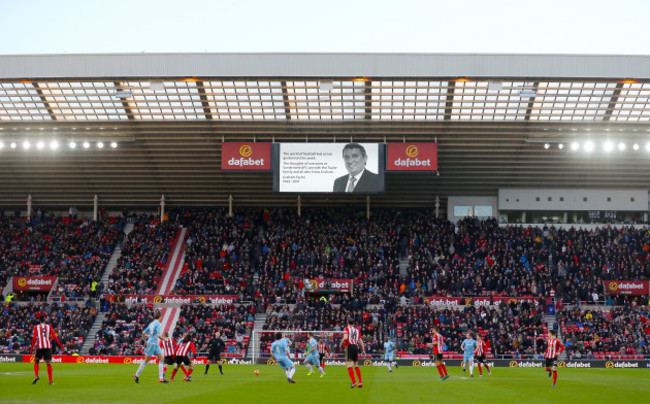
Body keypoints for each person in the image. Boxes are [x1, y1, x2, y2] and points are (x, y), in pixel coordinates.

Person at [133, 309, 169, 384]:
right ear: (160, 316)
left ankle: (161, 378)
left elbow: (143, 332)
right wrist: (165, 339)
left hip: (154, 343)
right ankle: (136, 375)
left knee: (162, 358)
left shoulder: (151, 324)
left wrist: (145, 341)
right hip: (152, 344)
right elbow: (159, 335)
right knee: (146, 360)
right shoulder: (158, 324)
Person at [30, 314, 66, 385]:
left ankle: (36, 375)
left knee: (36, 361)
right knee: (48, 363)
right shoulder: (49, 327)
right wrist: (61, 346)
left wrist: (32, 348)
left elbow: (34, 338)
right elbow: (55, 337)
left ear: (39, 320)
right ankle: (50, 381)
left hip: (39, 347)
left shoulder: (36, 327)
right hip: (47, 347)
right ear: (45, 319)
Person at [340, 318, 366, 388]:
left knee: (348, 365)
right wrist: (363, 350)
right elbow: (361, 341)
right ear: (354, 323)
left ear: (348, 322)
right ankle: (360, 382)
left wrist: (341, 343)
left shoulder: (346, 329)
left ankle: (354, 382)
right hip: (355, 347)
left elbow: (345, 337)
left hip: (349, 347)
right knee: (356, 365)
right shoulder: (357, 330)